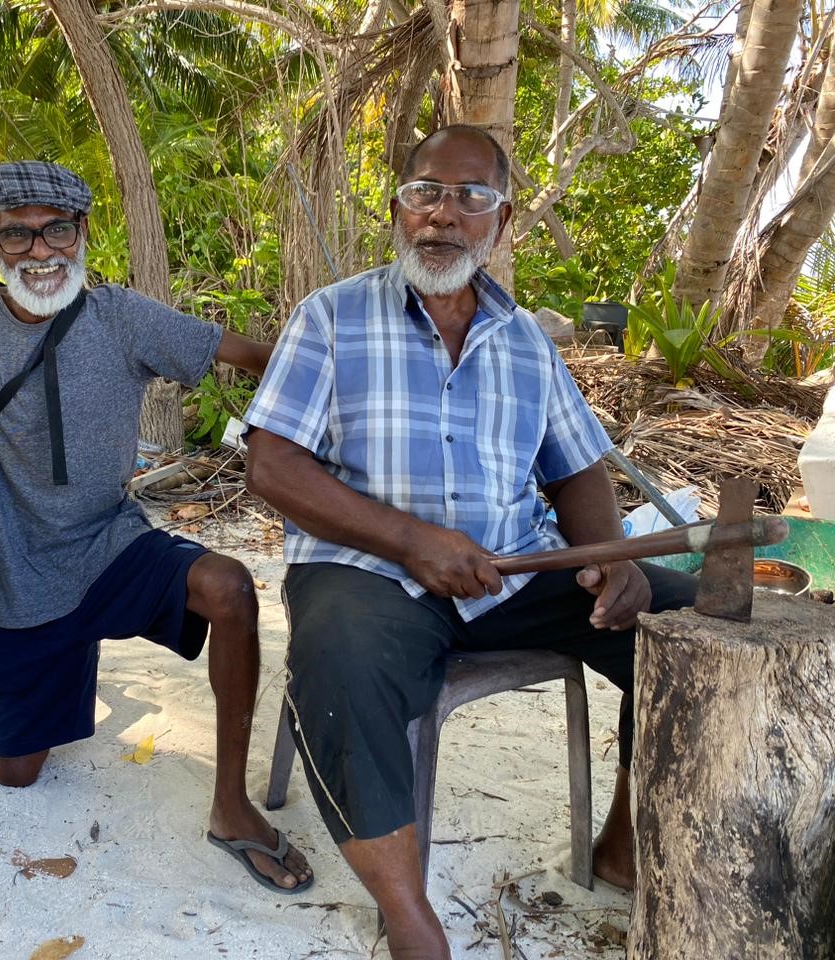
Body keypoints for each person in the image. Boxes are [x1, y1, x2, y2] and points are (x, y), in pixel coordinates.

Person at [243, 126, 697, 958]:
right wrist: (411, 540)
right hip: (368, 571)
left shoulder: (525, 341)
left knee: (696, 629)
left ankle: (625, 843)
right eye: (426, 192)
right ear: (397, 208)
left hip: (514, 572)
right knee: (343, 660)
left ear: (503, 219)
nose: (443, 215)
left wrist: (612, 559)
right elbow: (271, 467)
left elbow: (577, 471)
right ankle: (408, 914)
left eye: (470, 197)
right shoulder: (333, 316)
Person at [0, 160, 313, 894]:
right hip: (23, 575)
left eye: (57, 229)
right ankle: (67, 669)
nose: (41, 251)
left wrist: (345, 391)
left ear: (82, 231)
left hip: (110, 542)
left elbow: (250, 358)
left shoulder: (121, 315)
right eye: (17, 234)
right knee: (18, 777)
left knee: (229, 588)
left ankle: (231, 806)